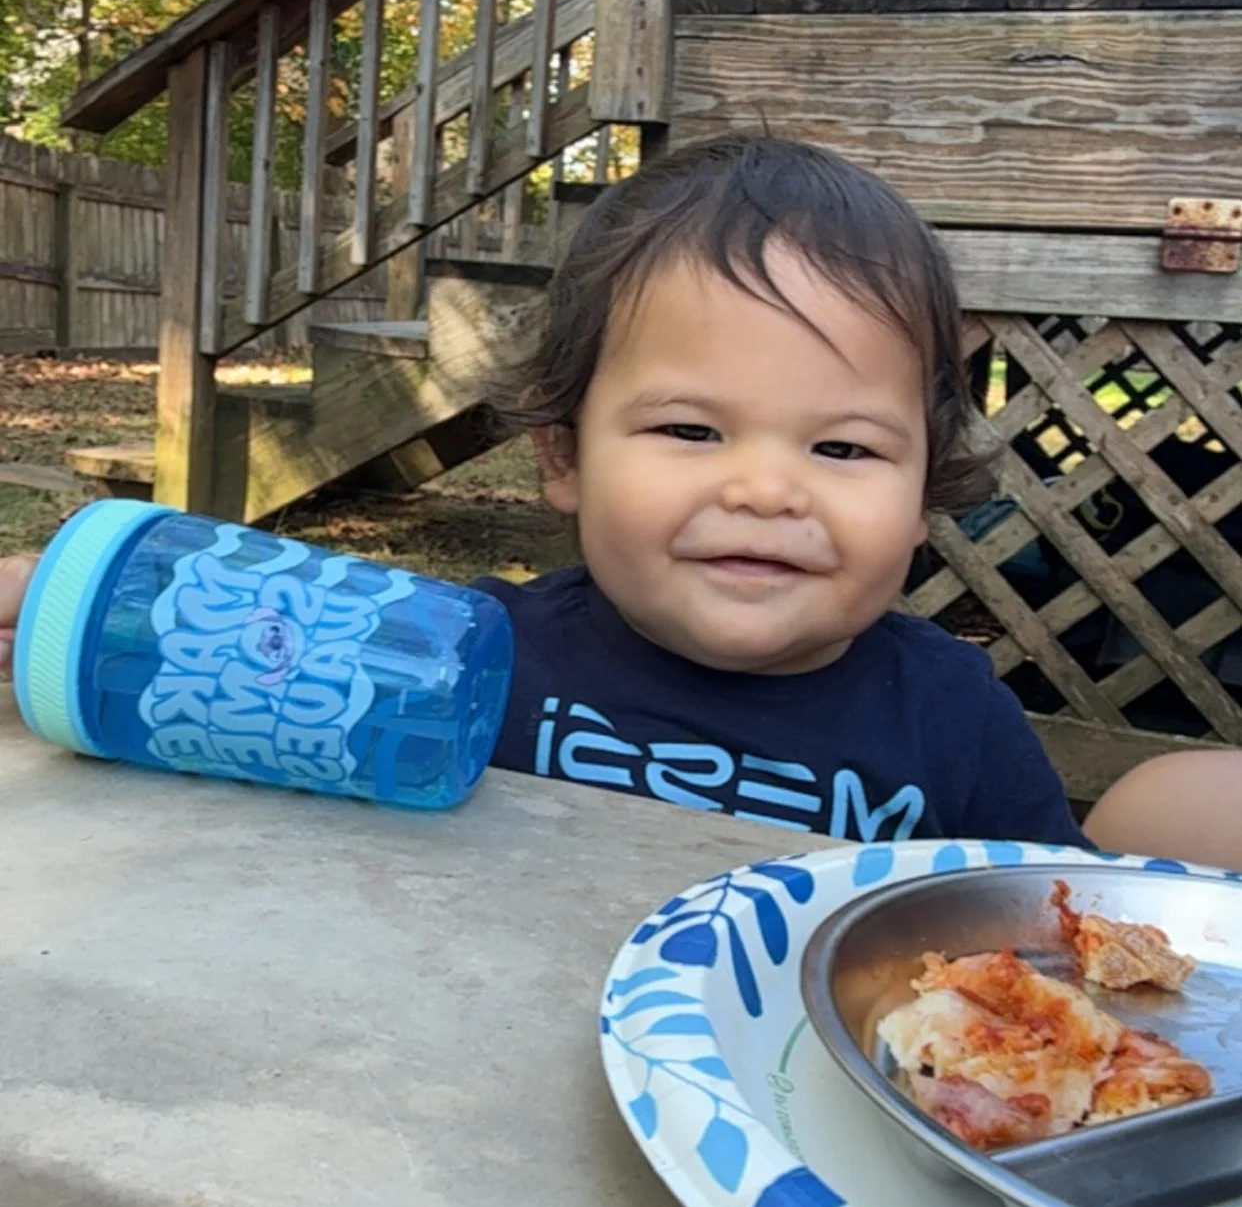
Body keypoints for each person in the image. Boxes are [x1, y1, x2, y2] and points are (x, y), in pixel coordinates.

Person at [0, 134, 1233, 857]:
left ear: (924, 495)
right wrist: (61, 601)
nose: (763, 488)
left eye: (847, 450)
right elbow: (205, 655)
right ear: (564, 459)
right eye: (691, 429)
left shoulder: (956, 723)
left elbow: (1040, 949)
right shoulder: (473, 655)